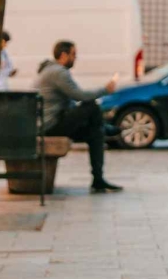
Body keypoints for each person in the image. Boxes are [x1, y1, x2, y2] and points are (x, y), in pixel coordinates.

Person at [36, 40, 123, 193]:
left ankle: (98, 179)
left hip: (52, 122)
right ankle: (105, 127)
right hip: (50, 126)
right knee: (91, 106)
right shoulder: (58, 72)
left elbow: (71, 101)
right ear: (64, 55)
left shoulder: (52, 70)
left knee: (95, 134)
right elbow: (80, 95)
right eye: (73, 54)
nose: (76, 58)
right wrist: (105, 90)